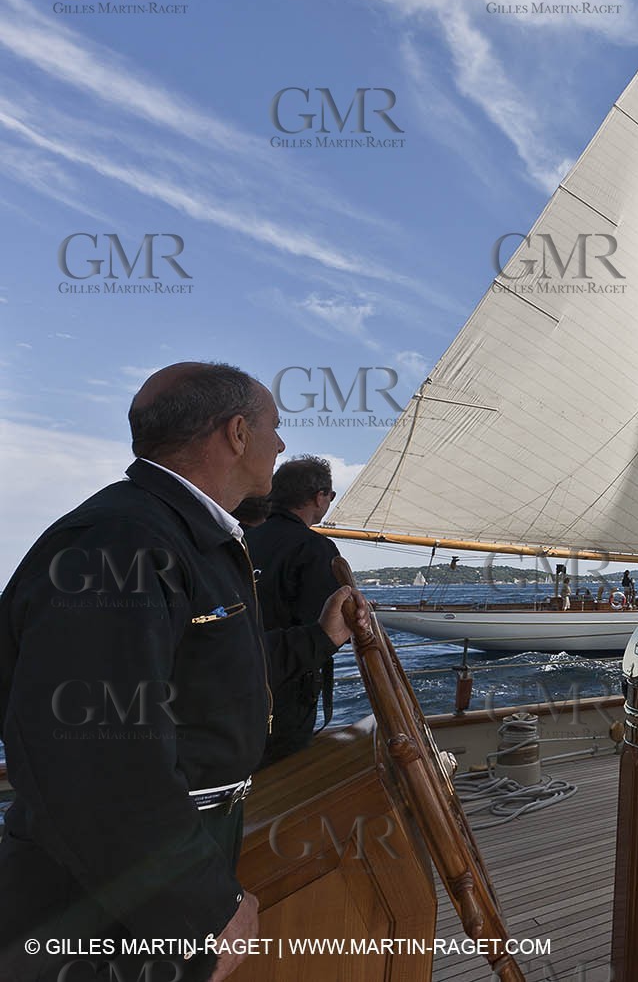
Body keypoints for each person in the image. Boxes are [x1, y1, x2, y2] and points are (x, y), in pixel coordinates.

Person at [0, 362, 371, 982]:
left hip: (165, 856)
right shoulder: (120, 543)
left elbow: (215, 675)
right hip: (107, 897)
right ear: (235, 434)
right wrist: (198, 905)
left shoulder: (188, 538)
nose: (281, 446)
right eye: (273, 428)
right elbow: (91, 754)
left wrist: (321, 637)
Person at [246, 456, 348, 768]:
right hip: (289, 692)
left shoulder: (241, 540)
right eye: (331, 496)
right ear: (320, 497)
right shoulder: (315, 549)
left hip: (241, 683)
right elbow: (326, 630)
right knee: (282, 772)